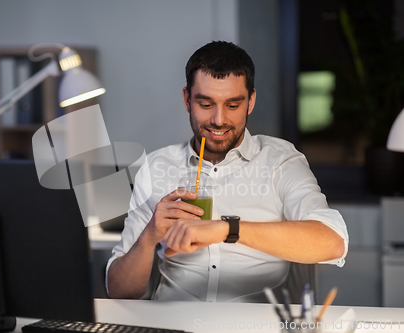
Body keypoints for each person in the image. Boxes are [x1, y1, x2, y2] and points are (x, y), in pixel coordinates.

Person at [106, 41, 348, 302]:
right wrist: (148, 237)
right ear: (187, 100)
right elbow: (120, 292)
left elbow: (332, 241)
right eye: (206, 104)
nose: (219, 120)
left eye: (232, 105)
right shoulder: (156, 166)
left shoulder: (280, 160)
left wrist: (226, 229)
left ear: (250, 101)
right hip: (172, 323)